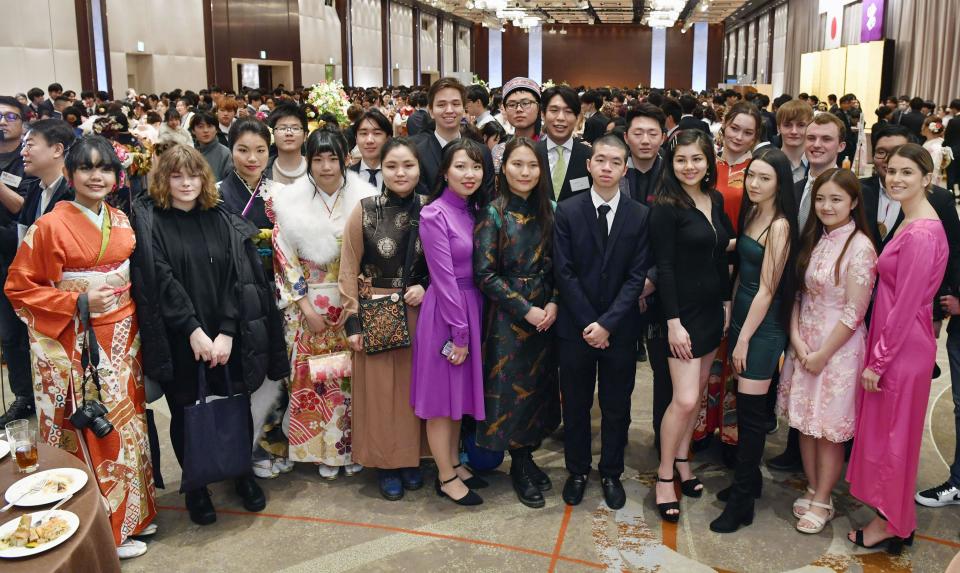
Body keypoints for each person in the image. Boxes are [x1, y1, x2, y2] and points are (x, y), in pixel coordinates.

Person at [6, 135, 157, 559]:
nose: (97, 176)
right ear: (70, 176)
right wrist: (76, 300)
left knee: (126, 426)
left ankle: (133, 515)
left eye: (105, 168)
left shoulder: (121, 220)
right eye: (87, 168)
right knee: (89, 425)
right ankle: (102, 528)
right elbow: (20, 288)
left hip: (124, 337)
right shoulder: (50, 226)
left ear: (117, 175)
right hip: (74, 341)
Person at [130, 143, 287, 526]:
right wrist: (194, 331)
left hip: (226, 335)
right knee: (186, 410)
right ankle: (196, 485)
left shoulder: (220, 216)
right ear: (163, 180)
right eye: (176, 176)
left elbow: (240, 277)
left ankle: (240, 472)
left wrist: (228, 332)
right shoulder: (149, 219)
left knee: (236, 403)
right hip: (181, 337)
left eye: (194, 174)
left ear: (205, 177)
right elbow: (161, 281)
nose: (186, 183)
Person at [846, 144, 948, 554]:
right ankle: (893, 516)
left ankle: (893, 523)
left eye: (908, 172)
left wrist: (879, 360)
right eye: (892, 171)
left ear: (928, 178)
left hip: (903, 350)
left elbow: (906, 305)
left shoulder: (923, 232)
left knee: (894, 440)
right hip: (897, 343)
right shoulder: (913, 221)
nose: (896, 179)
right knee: (892, 438)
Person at [271, 126, 376, 478]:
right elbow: (284, 259)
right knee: (313, 382)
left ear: (347, 158)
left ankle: (354, 448)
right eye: (318, 159)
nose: (327, 167)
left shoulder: (366, 198)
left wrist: (356, 302)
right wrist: (304, 307)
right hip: (309, 306)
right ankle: (322, 454)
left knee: (353, 380)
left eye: (334, 158)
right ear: (308, 161)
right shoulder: (288, 202)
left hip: (353, 303)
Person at [777, 168, 877, 534]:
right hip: (805, 344)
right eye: (821, 198)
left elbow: (855, 311)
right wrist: (799, 343)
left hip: (839, 351)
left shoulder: (861, 247)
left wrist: (821, 353)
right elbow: (798, 296)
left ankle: (823, 497)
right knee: (805, 425)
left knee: (828, 430)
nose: (827, 205)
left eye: (836, 199)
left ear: (853, 202)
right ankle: (814, 486)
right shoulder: (815, 238)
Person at [554, 134, 651, 510]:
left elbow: (636, 276)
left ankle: (611, 471)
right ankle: (577, 471)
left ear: (625, 169)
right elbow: (564, 272)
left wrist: (608, 324)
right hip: (575, 329)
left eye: (615, 162)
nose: (607, 168)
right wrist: (589, 324)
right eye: (601, 160)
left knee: (616, 405)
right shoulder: (568, 210)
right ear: (589, 164)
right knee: (576, 404)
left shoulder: (639, 214)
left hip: (620, 330)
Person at [711, 147, 799, 533]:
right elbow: (741, 258)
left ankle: (743, 500)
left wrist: (743, 339)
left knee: (750, 415)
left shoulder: (779, 225)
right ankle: (750, 482)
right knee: (744, 410)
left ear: (780, 182)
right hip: (744, 316)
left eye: (765, 178)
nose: (755, 184)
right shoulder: (753, 212)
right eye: (751, 176)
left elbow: (767, 289)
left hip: (762, 328)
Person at [474, 137, 561, 508]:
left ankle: (527, 456)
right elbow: (485, 274)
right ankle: (520, 464)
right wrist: (527, 310)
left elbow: (562, 266)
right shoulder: (493, 212)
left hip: (547, 316)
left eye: (532, 166)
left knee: (540, 390)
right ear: (503, 167)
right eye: (517, 164)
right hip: (508, 319)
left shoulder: (551, 209)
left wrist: (555, 302)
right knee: (509, 390)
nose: (524, 172)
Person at [338, 138, 428, 500]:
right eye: (392, 166)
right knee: (379, 392)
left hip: (420, 310)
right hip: (376, 310)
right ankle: (385, 463)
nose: (400, 172)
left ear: (419, 168)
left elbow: (445, 264)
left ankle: (411, 458)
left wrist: (427, 287)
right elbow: (348, 268)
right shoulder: (364, 210)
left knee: (412, 390)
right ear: (381, 169)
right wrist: (352, 321)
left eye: (408, 165)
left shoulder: (431, 208)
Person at [651, 129, 732, 522]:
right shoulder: (666, 205)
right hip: (681, 315)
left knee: (697, 397)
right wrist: (673, 322)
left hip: (711, 310)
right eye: (681, 159)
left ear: (708, 161)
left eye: (696, 159)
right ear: (672, 162)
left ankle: (683, 460)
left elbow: (719, 255)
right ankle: (665, 474)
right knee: (683, 400)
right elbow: (664, 266)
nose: (689, 166)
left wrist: (727, 302)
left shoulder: (714, 199)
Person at [410, 139, 489, 506]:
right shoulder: (433, 214)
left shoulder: (474, 209)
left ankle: (455, 461)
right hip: (447, 313)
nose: (469, 174)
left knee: (460, 394)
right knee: (442, 399)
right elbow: (441, 278)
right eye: (460, 166)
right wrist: (460, 333)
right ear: (444, 171)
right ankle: (444, 476)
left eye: (475, 166)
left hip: (473, 306)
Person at [0, 97, 36, 426]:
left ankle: (43, 392)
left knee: (32, 330)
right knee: (9, 334)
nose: (2, 122)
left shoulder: (27, 159)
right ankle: (23, 395)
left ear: (22, 122)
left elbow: (20, 206)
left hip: (20, 253)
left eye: (9, 116)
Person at [413, 78, 495, 201]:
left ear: (463, 109)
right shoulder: (417, 153)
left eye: (456, 104)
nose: (449, 110)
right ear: (431, 111)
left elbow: (487, 200)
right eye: (441, 105)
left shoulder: (482, 152)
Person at [535, 85, 591, 202]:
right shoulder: (532, 153)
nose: (560, 117)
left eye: (568, 111)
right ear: (543, 114)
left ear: (577, 117)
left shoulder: (589, 155)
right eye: (554, 110)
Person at [218, 118, 276, 231]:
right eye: (243, 150)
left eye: (260, 151)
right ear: (231, 151)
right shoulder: (215, 194)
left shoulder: (280, 192)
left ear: (268, 151)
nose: (252, 158)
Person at [348, 109, 391, 190]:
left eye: (377, 133)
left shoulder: (399, 176)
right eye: (364, 133)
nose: (369, 140)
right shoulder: (345, 178)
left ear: (388, 139)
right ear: (356, 139)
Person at [266, 103, 308, 185]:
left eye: (295, 128)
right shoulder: (261, 170)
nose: (289, 133)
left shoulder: (316, 168)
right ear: (273, 133)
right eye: (282, 128)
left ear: (305, 136)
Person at [775, 99, 813, 183]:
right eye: (787, 125)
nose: (794, 131)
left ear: (810, 127)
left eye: (801, 125)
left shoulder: (818, 165)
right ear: (778, 128)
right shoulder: (768, 164)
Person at [190, 111, 233, 181]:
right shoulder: (189, 153)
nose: (205, 130)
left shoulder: (226, 154)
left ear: (216, 129)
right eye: (200, 127)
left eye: (210, 126)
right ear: (193, 131)